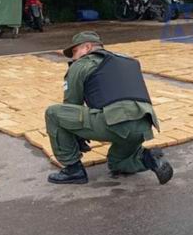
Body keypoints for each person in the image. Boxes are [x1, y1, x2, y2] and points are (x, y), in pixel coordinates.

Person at [45, 31, 173, 185]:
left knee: (53, 113)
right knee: (117, 163)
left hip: (116, 123)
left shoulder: (81, 64)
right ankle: (149, 159)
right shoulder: (126, 60)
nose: (73, 57)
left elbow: (71, 106)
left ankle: (73, 170)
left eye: (74, 51)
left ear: (87, 47)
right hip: (144, 125)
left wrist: (77, 137)